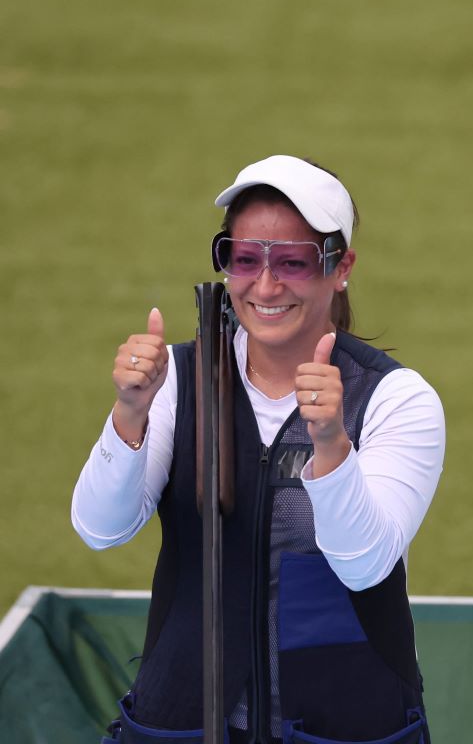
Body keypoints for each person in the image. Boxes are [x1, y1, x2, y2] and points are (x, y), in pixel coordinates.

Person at [72, 155, 444, 744]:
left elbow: (364, 564)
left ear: (341, 266)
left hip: (343, 728)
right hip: (181, 722)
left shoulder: (397, 398)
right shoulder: (175, 377)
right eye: (244, 259)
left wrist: (330, 448)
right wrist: (129, 413)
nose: (265, 286)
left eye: (292, 262)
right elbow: (100, 528)